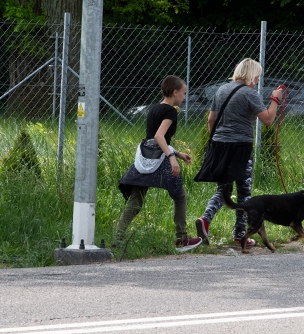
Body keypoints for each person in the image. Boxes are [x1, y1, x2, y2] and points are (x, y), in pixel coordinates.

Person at [193, 58, 283, 246]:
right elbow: (267, 120)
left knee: (223, 189)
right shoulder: (250, 94)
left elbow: (211, 120)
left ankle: (205, 220)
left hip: (220, 145)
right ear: (251, 74)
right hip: (241, 147)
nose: (258, 80)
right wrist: (275, 100)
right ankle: (240, 235)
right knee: (244, 192)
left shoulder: (221, 90)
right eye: (257, 75)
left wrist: (218, 140)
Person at [114, 76, 203, 252]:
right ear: (175, 92)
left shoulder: (155, 108)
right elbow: (159, 136)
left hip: (145, 157)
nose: (185, 97)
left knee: (135, 200)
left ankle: (117, 240)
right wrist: (171, 157)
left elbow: (152, 139)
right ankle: (182, 239)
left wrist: (178, 153)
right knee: (180, 196)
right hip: (161, 159)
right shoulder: (171, 111)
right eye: (183, 93)